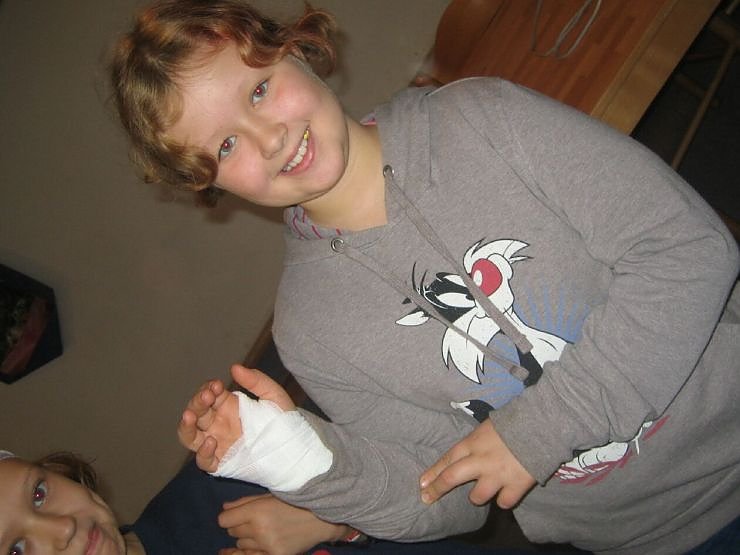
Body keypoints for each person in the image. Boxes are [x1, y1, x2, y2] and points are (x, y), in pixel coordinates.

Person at [110, 0, 740, 553]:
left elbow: (689, 251)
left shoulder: (481, 119)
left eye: (258, 91)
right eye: (224, 147)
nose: (268, 139)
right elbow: (451, 499)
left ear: (294, 49)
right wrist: (306, 460)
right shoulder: (308, 335)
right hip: (653, 540)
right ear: (209, 185)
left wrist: (540, 431)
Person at [0, 449, 529, 555]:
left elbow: (435, 486)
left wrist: (333, 518)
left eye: (39, 493)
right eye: (17, 550)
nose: (60, 529)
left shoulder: (215, 482)